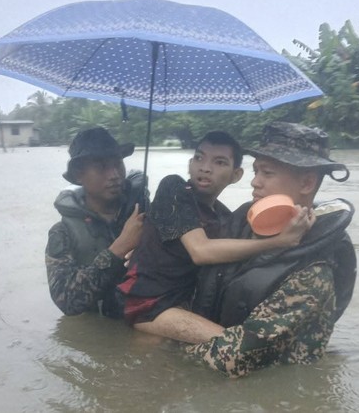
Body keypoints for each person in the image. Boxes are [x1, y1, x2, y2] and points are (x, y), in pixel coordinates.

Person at [188, 121, 357, 377]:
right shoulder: (243, 224)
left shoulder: (314, 271)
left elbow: (235, 359)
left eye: (267, 173)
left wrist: (167, 338)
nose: (255, 182)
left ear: (307, 183)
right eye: (255, 171)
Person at [117, 131, 314, 344]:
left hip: (187, 304)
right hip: (149, 305)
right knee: (234, 346)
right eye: (199, 158)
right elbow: (200, 251)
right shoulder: (173, 189)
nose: (205, 167)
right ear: (190, 163)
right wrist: (278, 242)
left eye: (219, 162)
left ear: (236, 175)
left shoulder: (224, 216)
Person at [45, 127, 149, 318]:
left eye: (118, 163)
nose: (114, 174)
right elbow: (67, 302)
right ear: (79, 175)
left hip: (147, 315)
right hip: (102, 326)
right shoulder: (63, 233)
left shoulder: (143, 211)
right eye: (101, 167)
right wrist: (119, 248)